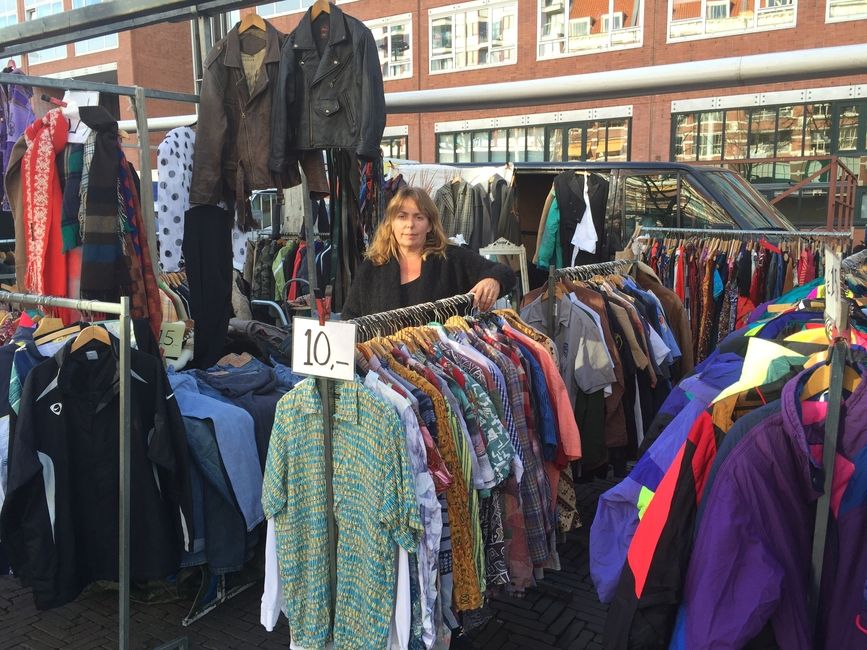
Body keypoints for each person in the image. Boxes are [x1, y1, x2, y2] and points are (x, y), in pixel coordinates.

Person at [341, 186, 516, 319]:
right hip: (382, 365)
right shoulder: (372, 267)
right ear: (391, 223)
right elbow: (350, 318)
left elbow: (505, 273)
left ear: (430, 225)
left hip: (441, 363)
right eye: (402, 216)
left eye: (419, 217)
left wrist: (493, 281)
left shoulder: (451, 259)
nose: (410, 225)